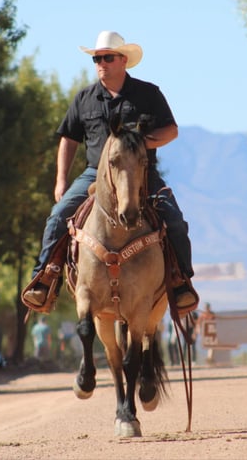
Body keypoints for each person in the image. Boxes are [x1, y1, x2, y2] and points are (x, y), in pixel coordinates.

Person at [22, 30, 198, 311]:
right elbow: (68, 139)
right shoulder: (85, 99)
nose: (101, 63)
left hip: (140, 174)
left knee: (174, 218)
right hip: (94, 174)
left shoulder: (148, 94)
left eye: (107, 57)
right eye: (96, 59)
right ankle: (45, 277)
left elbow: (171, 131)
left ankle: (180, 282)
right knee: (57, 216)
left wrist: (143, 142)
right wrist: (61, 181)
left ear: (123, 60)